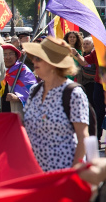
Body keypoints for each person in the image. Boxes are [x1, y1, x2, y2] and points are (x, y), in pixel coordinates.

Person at [22, 36, 89, 172]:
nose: (33, 61)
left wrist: (74, 173)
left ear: (53, 63)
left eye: (39, 58)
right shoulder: (35, 90)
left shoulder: (73, 93)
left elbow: (83, 138)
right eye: (34, 57)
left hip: (62, 174)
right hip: (35, 172)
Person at [74, 42, 105, 148]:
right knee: (98, 112)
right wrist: (76, 54)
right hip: (99, 84)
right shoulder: (98, 50)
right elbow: (84, 62)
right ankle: (97, 139)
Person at [0, 44, 36, 118]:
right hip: (1, 112)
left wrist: (18, 98)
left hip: (17, 112)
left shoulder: (23, 70)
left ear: (16, 56)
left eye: (11, 54)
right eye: (4, 54)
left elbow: (33, 92)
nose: (8, 57)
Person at [78, 36, 95, 106]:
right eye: (84, 44)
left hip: (91, 83)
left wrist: (83, 72)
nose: (85, 45)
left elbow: (94, 70)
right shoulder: (81, 55)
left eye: (87, 44)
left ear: (92, 45)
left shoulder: (93, 55)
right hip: (81, 83)